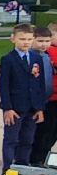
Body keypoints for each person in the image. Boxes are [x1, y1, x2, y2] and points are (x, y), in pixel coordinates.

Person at [0, 22, 46, 175]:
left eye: (29, 39)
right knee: (11, 139)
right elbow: (4, 85)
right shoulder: (8, 59)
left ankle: (22, 168)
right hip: (15, 108)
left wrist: (40, 108)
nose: (26, 42)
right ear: (13, 39)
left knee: (27, 140)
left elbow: (40, 84)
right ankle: (8, 169)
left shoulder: (36, 58)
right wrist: (7, 108)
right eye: (22, 39)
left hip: (32, 108)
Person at [30, 26, 57, 167]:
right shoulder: (48, 53)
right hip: (49, 100)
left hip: (51, 98)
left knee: (51, 133)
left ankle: (42, 158)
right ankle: (36, 158)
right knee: (44, 132)